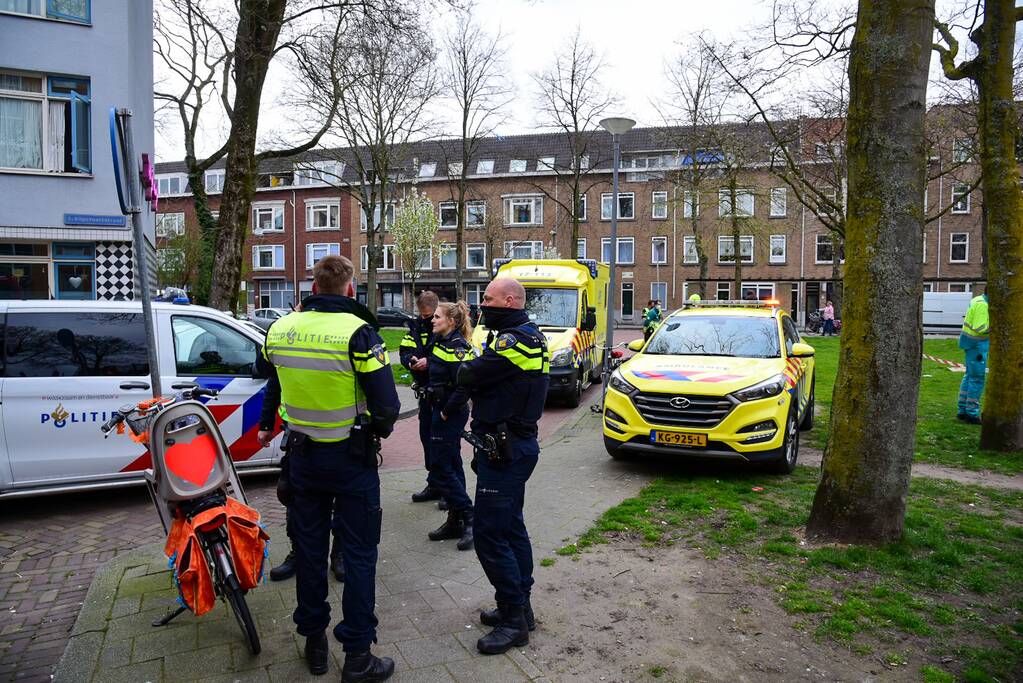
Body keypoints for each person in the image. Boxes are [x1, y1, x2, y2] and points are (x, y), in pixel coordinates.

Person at [258, 255, 399, 681]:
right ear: (350, 288)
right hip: (351, 458)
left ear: (313, 286)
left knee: (309, 551)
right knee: (359, 554)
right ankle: (357, 655)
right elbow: (388, 407)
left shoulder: (279, 330)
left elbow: (270, 375)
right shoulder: (359, 333)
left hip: (301, 458)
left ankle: (314, 643)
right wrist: (376, 429)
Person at [456, 278, 550, 655]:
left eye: (488, 298)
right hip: (507, 447)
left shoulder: (519, 339)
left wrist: (469, 370)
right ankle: (519, 606)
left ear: (509, 301)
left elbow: (468, 374)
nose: (483, 304)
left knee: (490, 535)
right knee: (510, 527)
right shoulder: (516, 335)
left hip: (508, 449)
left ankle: (514, 621)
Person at [424, 301, 475, 551]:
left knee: (440, 467)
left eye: (437, 317)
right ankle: (456, 521)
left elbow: (465, 386)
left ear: (451, 322)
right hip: (440, 410)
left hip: (449, 414)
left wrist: (446, 411)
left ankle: (469, 516)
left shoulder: (457, 347)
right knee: (452, 464)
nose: (432, 320)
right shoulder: (441, 342)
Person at [400, 291, 444, 508]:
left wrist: (430, 362)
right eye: (423, 315)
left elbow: (450, 358)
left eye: (430, 316)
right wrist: (411, 360)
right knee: (427, 439)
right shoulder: (414, 329)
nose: (426, 320)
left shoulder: (445, 328)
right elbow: (404, 350)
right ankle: (434, 483)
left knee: (444, 443)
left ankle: (449, 489)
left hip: (443, 396)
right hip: (425, 395)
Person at [957, 287, 989, 425]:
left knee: (969, 376)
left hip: (971, 344)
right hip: (977, 345)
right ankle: (971, 414)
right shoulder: (983, 305)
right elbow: (980, 327)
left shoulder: (977, 299)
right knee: (977, 379)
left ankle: (962, 410)